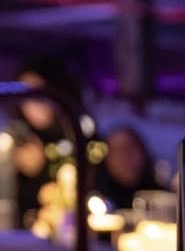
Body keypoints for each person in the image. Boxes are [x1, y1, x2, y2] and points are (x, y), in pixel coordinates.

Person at [8, 54, 85, 227]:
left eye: (38, 95)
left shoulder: (78, 131)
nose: (32, 105)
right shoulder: (17, 137)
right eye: (26, 96)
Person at [91, 123, 161, 207]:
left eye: (129, 148)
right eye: (117, 151)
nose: (124, 157)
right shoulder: (95, 200)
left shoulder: (162, 199)